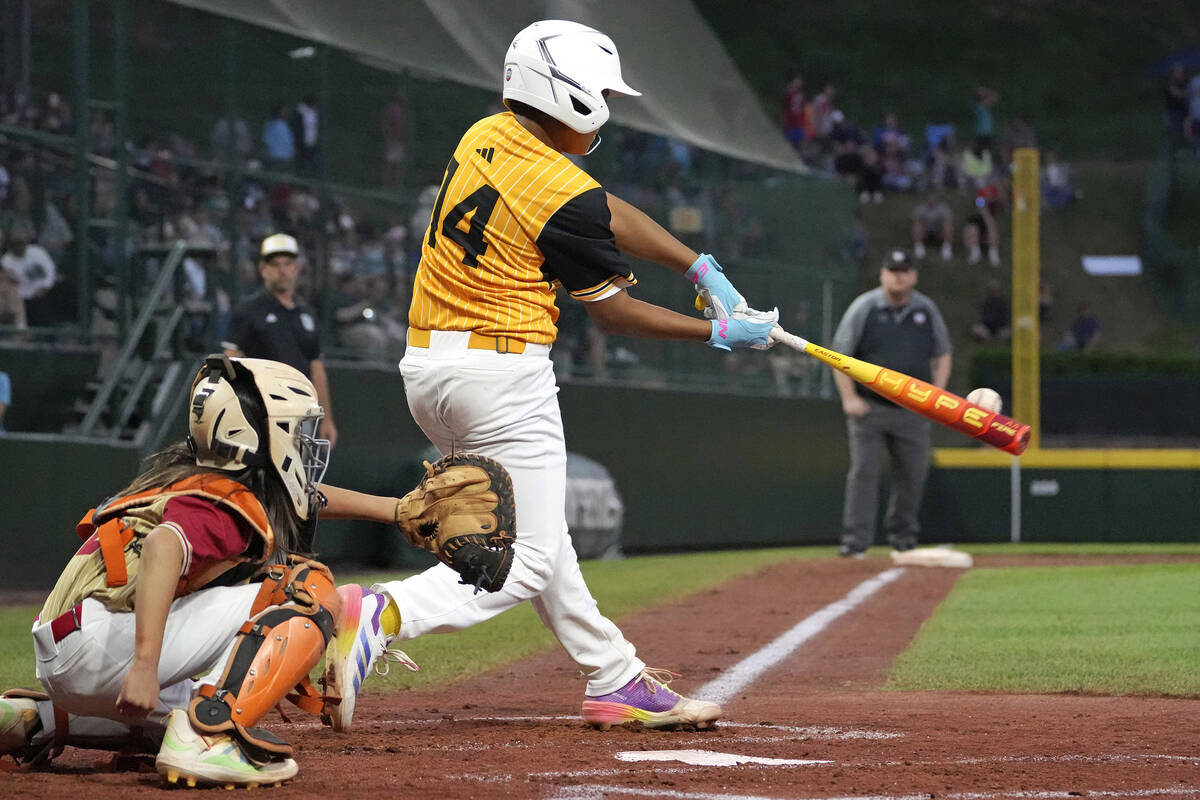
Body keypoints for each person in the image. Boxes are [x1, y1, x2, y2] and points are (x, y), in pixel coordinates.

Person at [320, 19, 777, 735]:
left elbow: (597, 204)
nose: (606, 106)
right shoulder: (556, 192)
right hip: (501, 377)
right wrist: (716, 331)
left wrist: (693, 263)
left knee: (544, 535)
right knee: (524, 559)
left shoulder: (485, 134)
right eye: (599, 93)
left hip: (429, 372)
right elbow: (616, 315)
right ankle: (380, 613)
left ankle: (614, 676)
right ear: (568, 97)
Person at [0, 355, 404, 786]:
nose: (303, 442)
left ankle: (38, 718)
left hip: (70, 650)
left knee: (181, 705)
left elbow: (302, 498)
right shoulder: (222, 502)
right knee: (303, 588)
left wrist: (394, 510)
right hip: (103, 646)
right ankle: (206, 737)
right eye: (294, 429)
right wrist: (144, 664)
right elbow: (163, 545)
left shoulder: (198, 477)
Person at [831, 250, 952, 557]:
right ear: (882, 274)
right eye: (892, 270)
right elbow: (839, 355)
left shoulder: (926, 309)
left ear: (913, 275)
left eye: (904, 270)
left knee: (912, 475)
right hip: (871, 408)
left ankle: (904, 538)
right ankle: (855, 542)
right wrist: (849, 398)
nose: (899, 275)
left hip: (913, 409)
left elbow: (943, 354)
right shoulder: (865, 307)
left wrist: (935, 397)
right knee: (863, 473)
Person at [223, 233, 338, 446]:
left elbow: (316, 367)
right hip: (263, 410)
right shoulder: (248, 311)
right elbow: (231, 364)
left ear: (297, 268)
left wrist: (326, 418)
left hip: (303, 408)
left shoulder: (307, 313)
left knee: (301, 471)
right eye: (275, 264)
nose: (282, 270)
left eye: (288, 263)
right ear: (263, 269)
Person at [910, 191, 955, 261]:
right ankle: (919, 247)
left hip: (939, 232)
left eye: (933, 198)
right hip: (925, 232)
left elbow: (949, 220)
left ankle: (947, 247)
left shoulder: (943, 207)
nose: (931, 200)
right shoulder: (920, 207)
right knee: (917, 225)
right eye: (930, 197)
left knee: (948, 225)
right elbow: (916, 220)